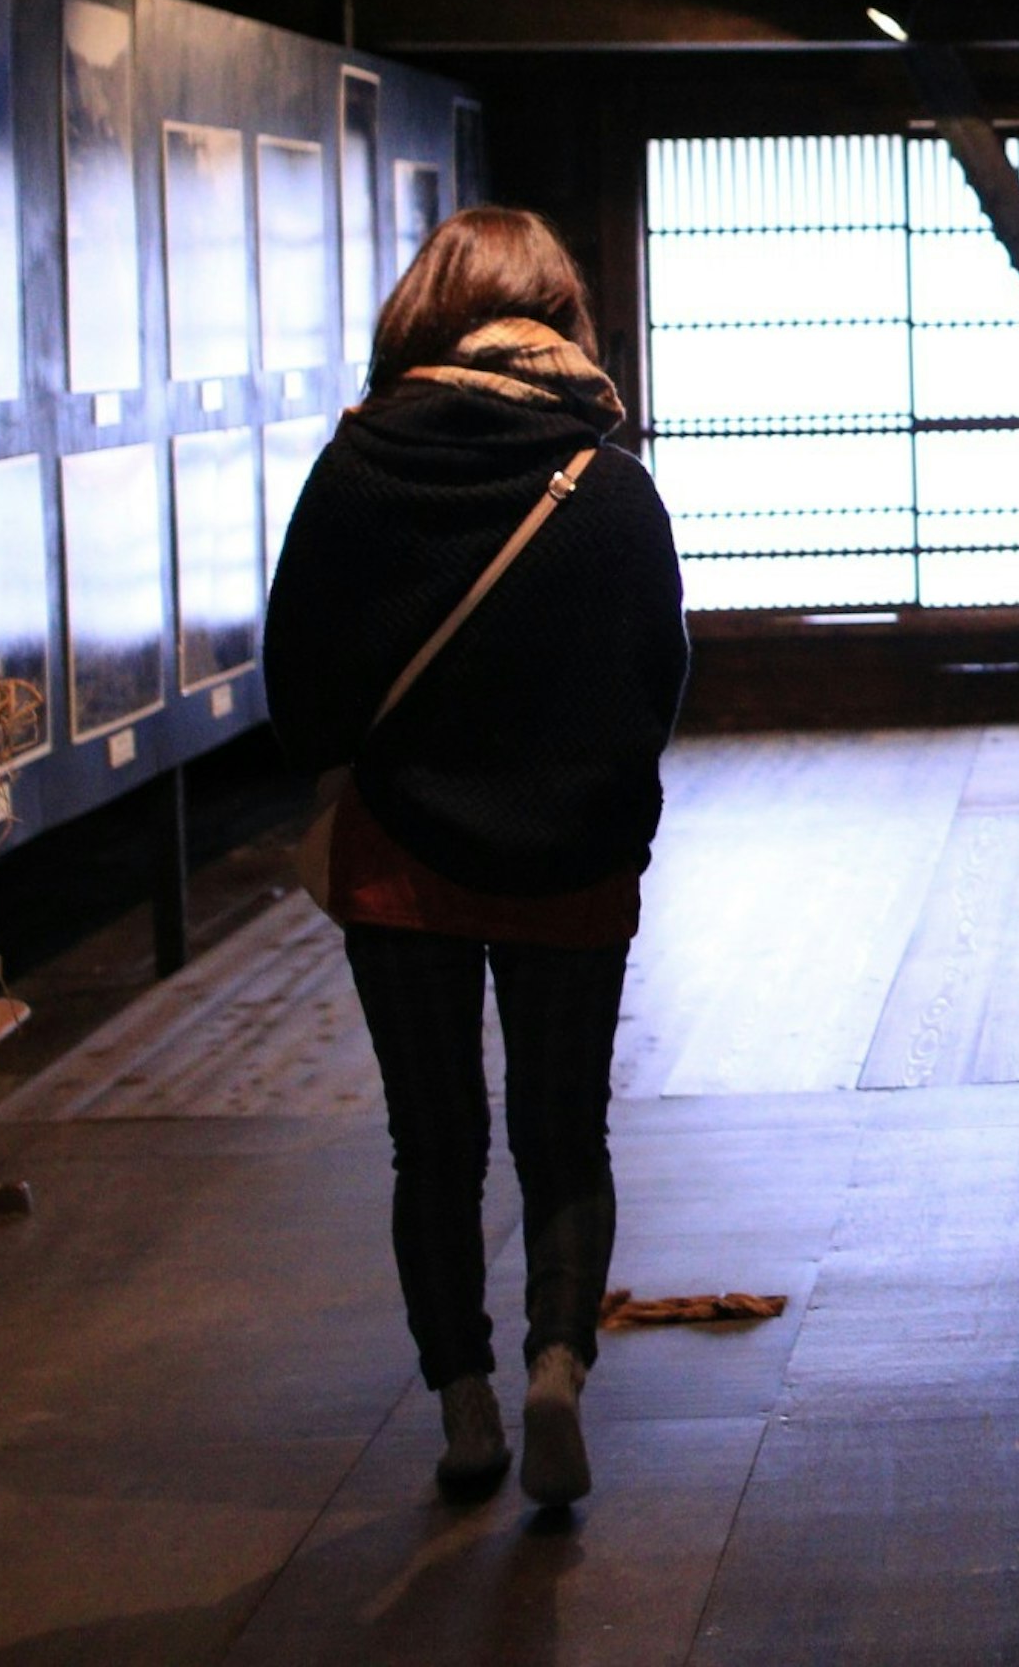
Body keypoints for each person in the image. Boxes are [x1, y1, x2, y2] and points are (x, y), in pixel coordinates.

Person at [263, 207, 689, 1510]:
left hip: (404, 859)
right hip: (571, 856)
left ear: (422, 316)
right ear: (559, 321)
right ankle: (559, 1363)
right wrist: (603, 812)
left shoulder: (356, 472)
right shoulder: (610, 486)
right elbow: (653, 678)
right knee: (565, 1137)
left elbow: (298, 680)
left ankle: (464, 1407)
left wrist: (378, 769)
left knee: (432, 1141)